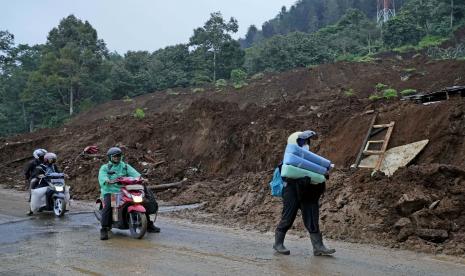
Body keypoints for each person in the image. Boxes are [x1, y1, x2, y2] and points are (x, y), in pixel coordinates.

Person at [273, 130, 336, 256]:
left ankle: (318, 247)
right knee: (288, 218)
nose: (305, 145)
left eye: (307, 142)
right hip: (292, 192)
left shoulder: (310, 161)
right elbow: (286, 176)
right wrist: (303, 179)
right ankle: (278, 243)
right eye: (303, 142)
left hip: (309, 192)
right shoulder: (288, 160)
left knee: (312, 218)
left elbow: (318, 175)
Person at [98, 147, 160, 240]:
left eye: (118, 156)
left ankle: (148, 224)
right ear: (110, 157)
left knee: (141, 201)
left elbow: (135, 173)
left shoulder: (125, 166)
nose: (117, 158)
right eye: (114, 156)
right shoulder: (105, 167)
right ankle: (104, 229)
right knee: (108, 207)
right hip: (110, 191)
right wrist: (107, 180)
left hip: (124, 189)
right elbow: (102, 176)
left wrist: (142, 178)